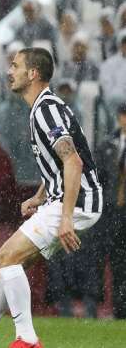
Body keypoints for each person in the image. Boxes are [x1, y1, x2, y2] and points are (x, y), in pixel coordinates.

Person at [0, 47, 102, 348]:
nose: (9, 71)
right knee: (13, 263)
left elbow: (73, 162)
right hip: (70, 198)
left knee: (6, 255)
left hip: (77, 200)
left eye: (15, 65)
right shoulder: (43, 108)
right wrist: (39, 195)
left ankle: (27, 339)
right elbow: (61, 164)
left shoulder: (46, 109)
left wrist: (66, 217)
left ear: (32, 73)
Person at [94, 103, 126, 319]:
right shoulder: (107, 144)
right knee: (116, 263)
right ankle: (119, 309)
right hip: (114, 214)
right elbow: (98, 179)